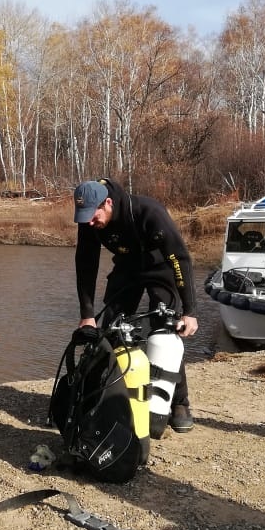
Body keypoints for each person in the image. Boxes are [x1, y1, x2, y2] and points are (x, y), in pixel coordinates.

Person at [73, 178, 199, 432]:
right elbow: (86, 265)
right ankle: (116, 395)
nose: (89, 222)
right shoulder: (89, 221)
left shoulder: (148, 212)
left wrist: (189, 311)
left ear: (108, 203)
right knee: (111, 330)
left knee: (166, 330)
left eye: (93, 215)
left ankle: (179, 402)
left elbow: (180, 259)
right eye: (83, 216)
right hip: (127, 268)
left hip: (161, 267)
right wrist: (87, 314)